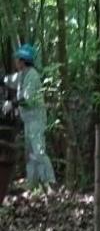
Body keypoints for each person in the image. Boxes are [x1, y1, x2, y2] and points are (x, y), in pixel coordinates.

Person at [2, 44, 56, 188]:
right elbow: (7, 80)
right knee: (30, 153)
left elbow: (27, 98)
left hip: (36, 119)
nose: (15, 61)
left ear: (23, 60)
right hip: (28, 120)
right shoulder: (21, 75)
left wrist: (11, 104)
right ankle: (32, 185)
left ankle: (50, 183)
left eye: (17, 59)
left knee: (38, 151)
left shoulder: (32, 75)